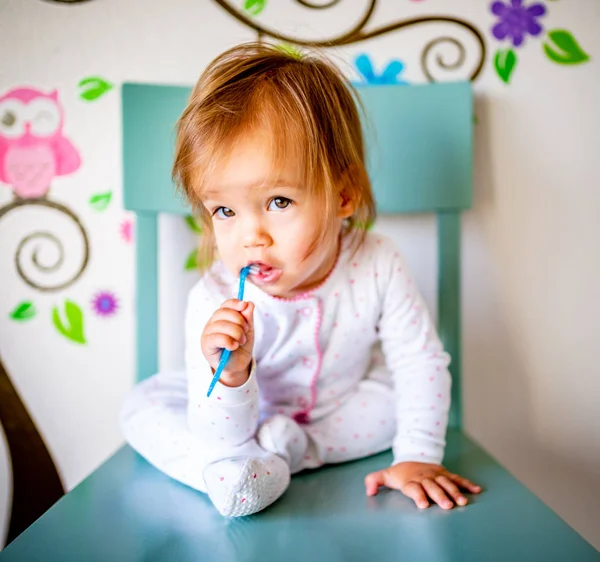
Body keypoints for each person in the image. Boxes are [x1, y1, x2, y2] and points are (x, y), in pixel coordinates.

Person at [120, 42, 482, 517]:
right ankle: (238, 474)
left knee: (399, 396)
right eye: (225, 210)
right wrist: (228, 374)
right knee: (141, 407)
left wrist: (416, 456)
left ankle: (286, 454)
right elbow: (219, 434)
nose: (251, 237)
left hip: (340, 412)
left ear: (344, 194)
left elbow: (420, 362)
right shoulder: (213, 298)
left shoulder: (377, 262)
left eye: (279, 202)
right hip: (240, 424)